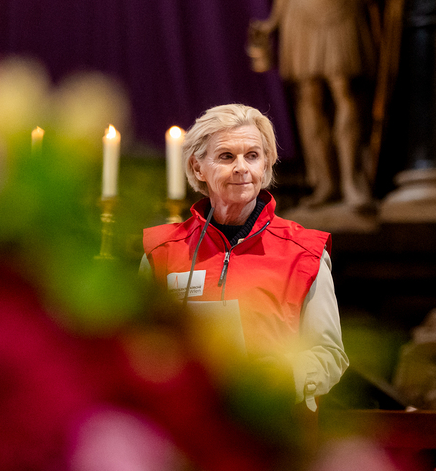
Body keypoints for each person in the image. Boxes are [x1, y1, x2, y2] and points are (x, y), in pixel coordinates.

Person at [142, 104, 347, 410]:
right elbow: (138, 345)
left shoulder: (305, 252)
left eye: (252, 155)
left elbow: (330, 354)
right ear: (198, 168)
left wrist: (281, 378)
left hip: (270, 424)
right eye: (226, 156)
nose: (241, 167)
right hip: (184, 421)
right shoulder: (161, 250)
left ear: (265, 165)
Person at [249, 0, 404, 209]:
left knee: (346, 92)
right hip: (301, 12)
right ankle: (325, 182)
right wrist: (273, 21)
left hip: (344, 7)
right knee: (309, 96)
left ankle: (352, 182)